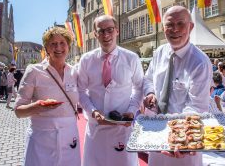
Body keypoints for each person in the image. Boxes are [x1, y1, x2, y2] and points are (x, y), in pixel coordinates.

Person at [143, 6, 212, 166]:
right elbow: (148, 79)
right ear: (163, 28)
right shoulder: (159, 52)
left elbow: (197, 107)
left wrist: (177, 133)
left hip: (183, 140)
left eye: (180, 24)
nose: (175, 29)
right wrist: (150, 93)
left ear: (191, 26)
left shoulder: (199, 62)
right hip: (156, 133)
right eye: (169, 25)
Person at [77, 15, 143, 166]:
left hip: (123, 128)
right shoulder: (86, 60)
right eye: (101, 31)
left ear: (117, 31)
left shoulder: (131, 58)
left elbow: (139, 87)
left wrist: (132, 110)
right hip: (96, 128)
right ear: (95, 34)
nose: (106, 35)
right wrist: (93, 111)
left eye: (110, 30)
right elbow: (80, 90)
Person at [14, 27, 81, 166]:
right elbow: (18, 111)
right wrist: (38, 106)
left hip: (70, 138)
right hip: (42, 139)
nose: (58, 47)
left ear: (68, 46)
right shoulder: (34, 71)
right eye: (53, 44)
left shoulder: (74, 72)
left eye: (62, 43)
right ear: (46, 48)